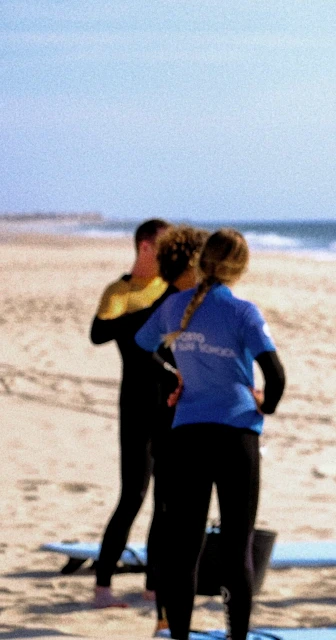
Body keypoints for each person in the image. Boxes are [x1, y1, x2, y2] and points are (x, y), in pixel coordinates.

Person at [135, 229, 285, 640]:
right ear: (241, 268)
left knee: (184, 551)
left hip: (188, 438)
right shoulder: (243, 312)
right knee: (237, 550)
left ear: (202, 262)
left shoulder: (174, 307)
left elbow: (141, 346)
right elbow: (276, 377)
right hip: (236, 437)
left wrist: (174, 378)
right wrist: (264, 404)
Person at [90, 218, 170, 609]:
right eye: (163, 248)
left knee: (166, 502)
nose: (169, 256)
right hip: (136, 404)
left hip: (172, 405)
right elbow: (98, 334)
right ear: (144, 248)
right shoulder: (120, 290)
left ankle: (153, 586)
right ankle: (102, 586)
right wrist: (136, 316)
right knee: (134, 495)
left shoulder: (171, 288)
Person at [143, 224, 209, 634]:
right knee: (170, 521)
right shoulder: (173, 305)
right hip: (170, 425)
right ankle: (164, 615)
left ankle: (165, 613)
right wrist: (174, 375)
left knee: (170, 519)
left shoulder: (189, 303)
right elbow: (142, 350)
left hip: (185, 425)